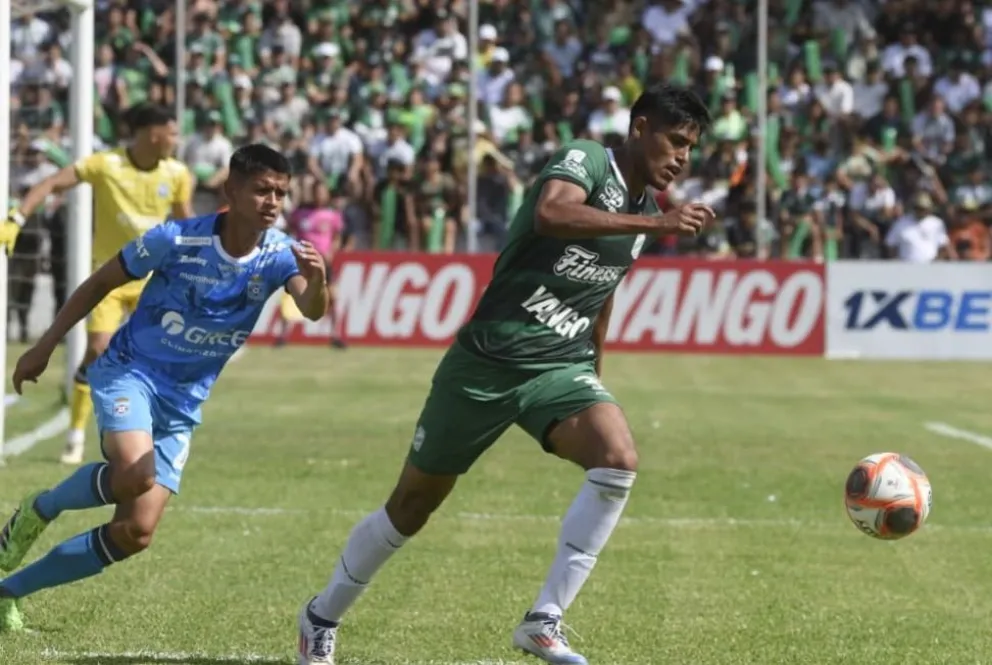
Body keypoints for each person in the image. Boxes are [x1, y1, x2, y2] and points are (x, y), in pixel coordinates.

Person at [296, 83, 714, 665]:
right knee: (411, 506)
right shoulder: (588, 160)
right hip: (487, 361)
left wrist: (595, 367)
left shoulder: (643, 214)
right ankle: (320, 616)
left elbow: (602, 291)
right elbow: (551, 213)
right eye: (675, 140)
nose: (682, 157)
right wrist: (657, 223)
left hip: (559, 366)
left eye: (690, 148)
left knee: (618, 458)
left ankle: (544, 620)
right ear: (640, 127)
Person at [0, 144, 329, 633]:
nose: (273, 202)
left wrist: (317, 282)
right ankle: (41, 508)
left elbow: (312, 309)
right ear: (231, 190)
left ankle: (7, 591)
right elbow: (98, 284)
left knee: (135, 532)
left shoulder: (281, 254)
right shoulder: (175, 239)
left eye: (281, 192)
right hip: (130, 372)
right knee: (136, 475)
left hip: (184, 400)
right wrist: (45, 346)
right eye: (263, 190)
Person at [0, 103, 195, 466]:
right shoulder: (107, 164)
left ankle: (150, 436)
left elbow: (187, 224)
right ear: (153, 133)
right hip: (110, 278)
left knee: (162, 357)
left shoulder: (178, 173)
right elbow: (52, 182)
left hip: (154, 281)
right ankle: (75, 435)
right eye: (172, 132)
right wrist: (17, 217)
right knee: (97, 349)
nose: (176, 139)